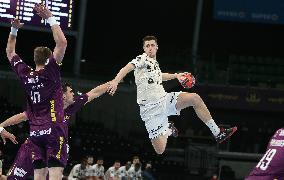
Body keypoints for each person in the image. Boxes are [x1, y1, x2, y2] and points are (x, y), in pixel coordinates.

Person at [107, 35, 237, 154]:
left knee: (195, 98)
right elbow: (126, 68)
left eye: (152, 45)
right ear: (144, 48)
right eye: (147, 46)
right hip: (150, 110)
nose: (150, 48)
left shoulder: (155, 64)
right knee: (160, 150)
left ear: (157, 47)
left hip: (164, 100)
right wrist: (115, 81)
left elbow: (160, 76)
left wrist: (176, 75)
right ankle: (167, 129)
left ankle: (217, 133)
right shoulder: (142, 59)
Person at [6, 3, 68, 179]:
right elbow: (62, 42)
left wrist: (14, 30)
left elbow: (10, 52)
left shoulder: (25, 74)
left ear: (34, 59)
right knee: (55, 175)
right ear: (49, 59)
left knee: (39, 177)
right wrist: (50, 17)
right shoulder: (51, 72)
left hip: (35, 133)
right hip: (53, 129)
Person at [0, 82, 109, 180]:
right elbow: (21, 117)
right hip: (31, 148)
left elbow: (94, 93)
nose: (74, 94)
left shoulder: (72, 106)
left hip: (50, 151)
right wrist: (1, 127)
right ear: (63, 95)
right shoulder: (44, 107)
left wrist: (114, 81)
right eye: (71, 92)